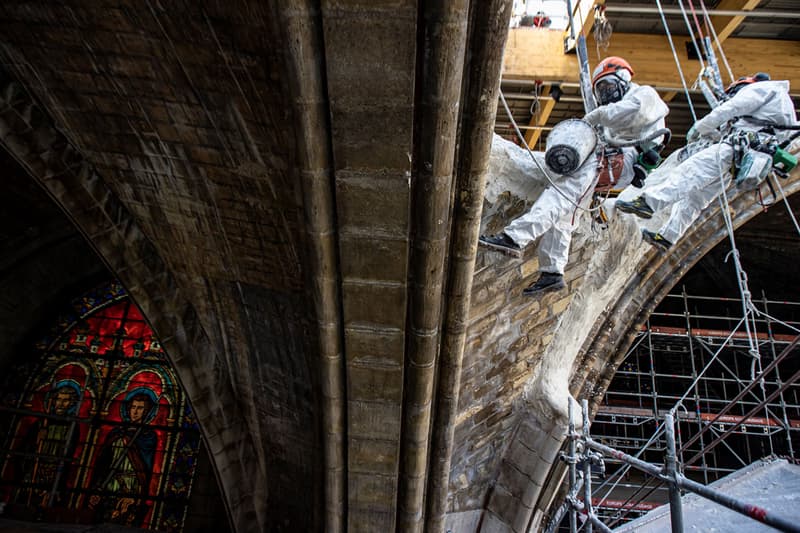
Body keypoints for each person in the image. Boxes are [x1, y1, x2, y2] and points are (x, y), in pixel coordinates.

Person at [480, 57, 669, 295]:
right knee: (567, 212)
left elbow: (631, 113)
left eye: (609, 86)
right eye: (601, 90)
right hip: (614, 160)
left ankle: (514, 238)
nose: (606, 93)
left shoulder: (643, 95)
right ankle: (552, 272)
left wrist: (596, 116)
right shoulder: (616, 113)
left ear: (623, 78)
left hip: (620, 158)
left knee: (561, 193)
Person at [616, 73, 798, 250]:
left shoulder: (761, 89)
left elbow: (731, 109)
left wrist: (700, 127)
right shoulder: (781, 106)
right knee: (697, 198)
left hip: (735, 149)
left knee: (689, 171)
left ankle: (649, 203)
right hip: (740, 160)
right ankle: (667, 236)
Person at [89, 391, 158, 526]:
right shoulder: (116, 432)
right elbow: (103, 461)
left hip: (133, 483)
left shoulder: (148, 435)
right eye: (133, 407)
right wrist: (97, 485)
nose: (135, 412)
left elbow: (146, 464)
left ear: (147, 412)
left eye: (140, 408)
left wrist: (129, 441)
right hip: (111, 482)